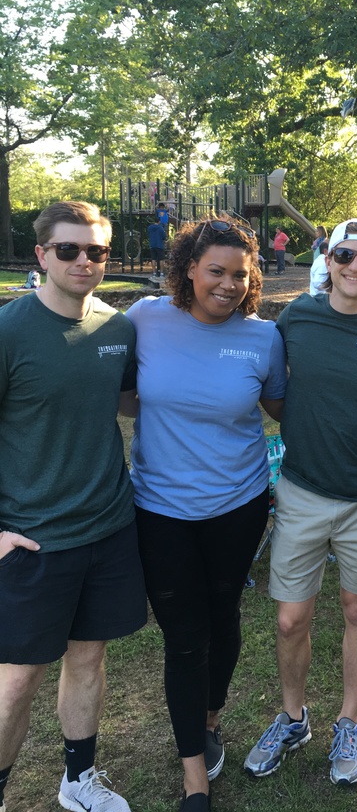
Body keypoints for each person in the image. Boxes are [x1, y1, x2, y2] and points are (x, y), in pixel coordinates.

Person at [243, 219, 357, 786]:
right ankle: (293, 717)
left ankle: (349, 719)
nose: (354, 266)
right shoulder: (296, 315)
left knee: (356, 610)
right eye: (344, 254)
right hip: (301, 489)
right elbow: (275, 394)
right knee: (292, 617)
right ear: (328, 256)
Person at [122, 218, 286, 812]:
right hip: (160, 509)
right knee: (185, 638)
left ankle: (210, 718)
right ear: (188, 268)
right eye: (215, 271)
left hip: (239, 506)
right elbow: (115, 389)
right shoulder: (144, 318)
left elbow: (280, 405)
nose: (227, 284)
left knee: (224, 617)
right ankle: (195, 774)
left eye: (240, 275)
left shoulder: (264, 337)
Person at [0, 201, 147, 812]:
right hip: (32, 536)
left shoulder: (119, 330)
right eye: (69, 250)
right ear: (42, 255)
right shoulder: (10, 331)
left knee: (88, 660)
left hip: (109, 528)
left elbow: (130, 405)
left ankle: (77, 780)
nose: (85, 261)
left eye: (97, 252)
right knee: (15, 682)